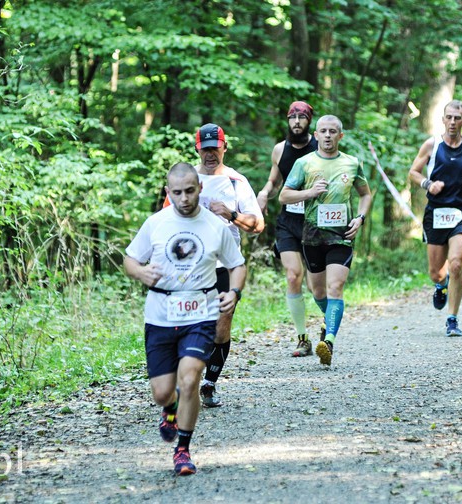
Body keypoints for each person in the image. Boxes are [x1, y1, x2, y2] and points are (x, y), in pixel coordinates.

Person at [124, 162, 246, 476]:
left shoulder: (216, 225)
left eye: (190, 191)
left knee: (190, 379)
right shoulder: (156, 223)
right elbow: (130, 259)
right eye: (177, 192)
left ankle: (183, 450)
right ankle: (169, 407)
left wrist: (234, 292)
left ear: (200, 189)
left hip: (201, 313)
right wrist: (141, 272)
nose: (184, 198)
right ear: (168, 193)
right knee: (163, 392)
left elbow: (237, 264)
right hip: (160, 315)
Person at [177, 123, 263, 407]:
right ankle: (187, 378)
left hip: (226, 265)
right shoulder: (185, 179)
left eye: (216, 148)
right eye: (205, 148)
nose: (210, 153)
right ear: (197, 149)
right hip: (190, 265)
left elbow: (258, 225)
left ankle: (209, 383)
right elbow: (166, 217)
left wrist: (231, 213)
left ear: (225, 148)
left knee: (221, 326)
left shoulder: (237, 182)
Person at [279, 115, 372, 366]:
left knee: (335, 288)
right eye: (323, 131)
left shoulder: (352, 163)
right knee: (318, 291)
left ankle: (328, 341)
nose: (328, 135)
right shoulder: (304, 163)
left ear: (340, 136)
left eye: (333, 131)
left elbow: (365, 194)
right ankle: (329, 318)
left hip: (341, 237)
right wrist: (310, 192)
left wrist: (360, 218)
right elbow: (284, 196)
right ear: (316, 135)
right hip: (311, 237)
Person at [408, 99, 462, 337]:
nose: (453, 122)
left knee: (456, 263)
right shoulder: (431, 145)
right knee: (437, 271)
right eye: (449, 117)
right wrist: (428, 183)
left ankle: (452, 319)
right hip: (436, 213)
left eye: (457, 118)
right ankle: (440, 286)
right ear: (443, 119)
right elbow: (413, 172)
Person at [257, 101, 319, 357]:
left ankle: (328, 330)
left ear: (309, 121)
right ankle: (302, 338)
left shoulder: (320, 146)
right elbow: (274, 181)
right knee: (294, 275)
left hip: (316, 221)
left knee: (318, 286)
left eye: (301, 117)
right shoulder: (279, 150)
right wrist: (263, 194)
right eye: (292, 117)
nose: (296, 121)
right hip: (288, 222)